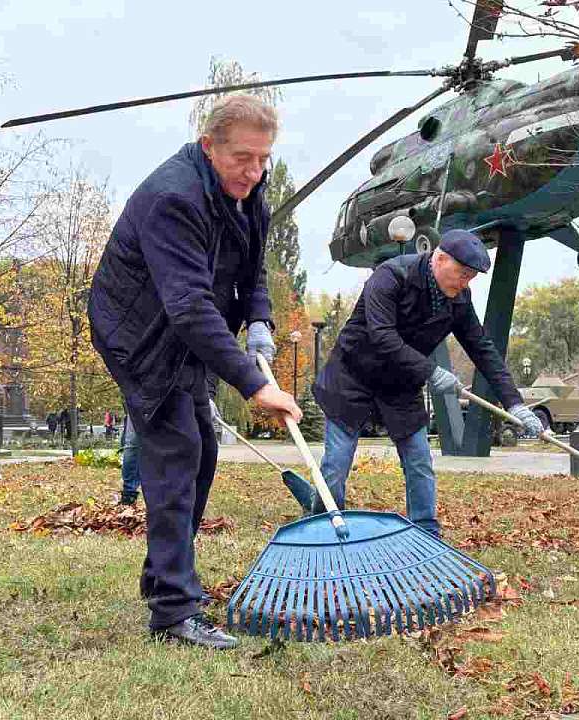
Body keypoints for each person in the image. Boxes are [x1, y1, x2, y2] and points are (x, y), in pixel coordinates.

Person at [88, 94, 300, 650]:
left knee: (201, 451)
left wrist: (259, 321)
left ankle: (165, 576)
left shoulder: (249, 190)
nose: (254, 172)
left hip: (189, 331)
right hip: (141, 335)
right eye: (242, 159)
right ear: (209, 147)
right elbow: (186, 305)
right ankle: (173, 613)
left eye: (263, 159)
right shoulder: (172, 198)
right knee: (177, 452)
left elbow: (252, 266)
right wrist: (255, 386)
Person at [311, 230, 544, 538]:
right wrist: (431, 372)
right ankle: (323, 524)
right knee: (336, 463)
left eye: (471, 278)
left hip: (401, 386)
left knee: (419, 460)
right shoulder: (391, 276)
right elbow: (383, 336)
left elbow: (483, 350)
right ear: (440, 257)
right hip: (353, 377)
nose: (464, 283)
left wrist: (514, 403)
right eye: (462, 274)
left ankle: (426, 532)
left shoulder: (458, 299)